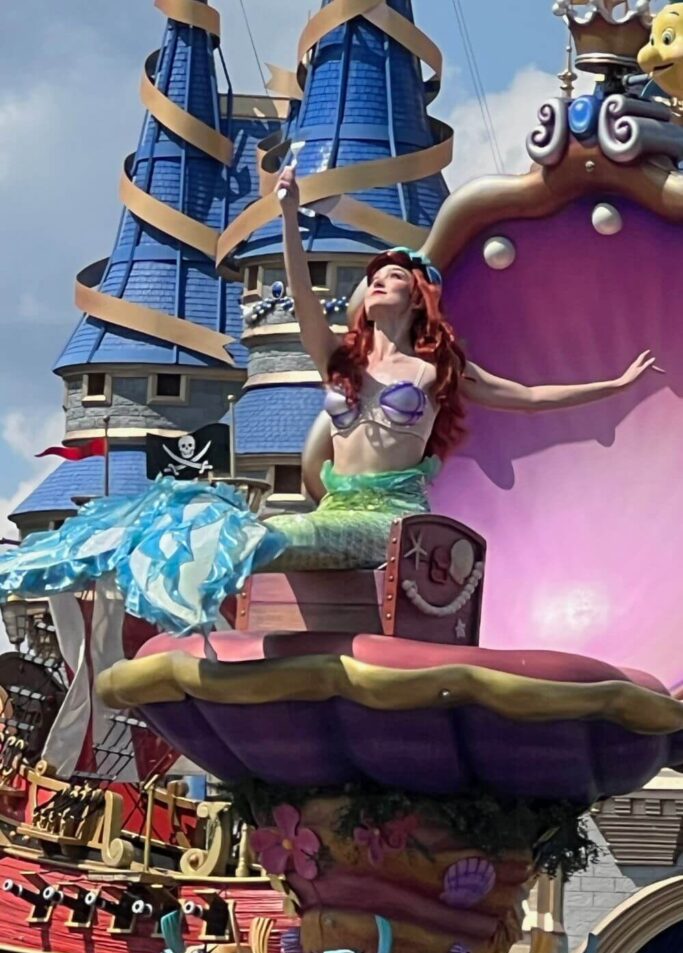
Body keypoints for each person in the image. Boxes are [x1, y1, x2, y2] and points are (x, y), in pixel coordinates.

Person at [0, 168, 659, 639]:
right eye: (371, 280)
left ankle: (181, 584)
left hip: (390, 519)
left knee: (260, 537)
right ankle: (59, 564)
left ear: (416, 297)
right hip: (335, 505)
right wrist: (287, 216)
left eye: (391, 278)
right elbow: (302, 297)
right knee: (180, 508)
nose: (377, 286)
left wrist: (612, 385)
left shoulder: (434, 369)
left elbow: (526, 397)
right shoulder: (342, 363)